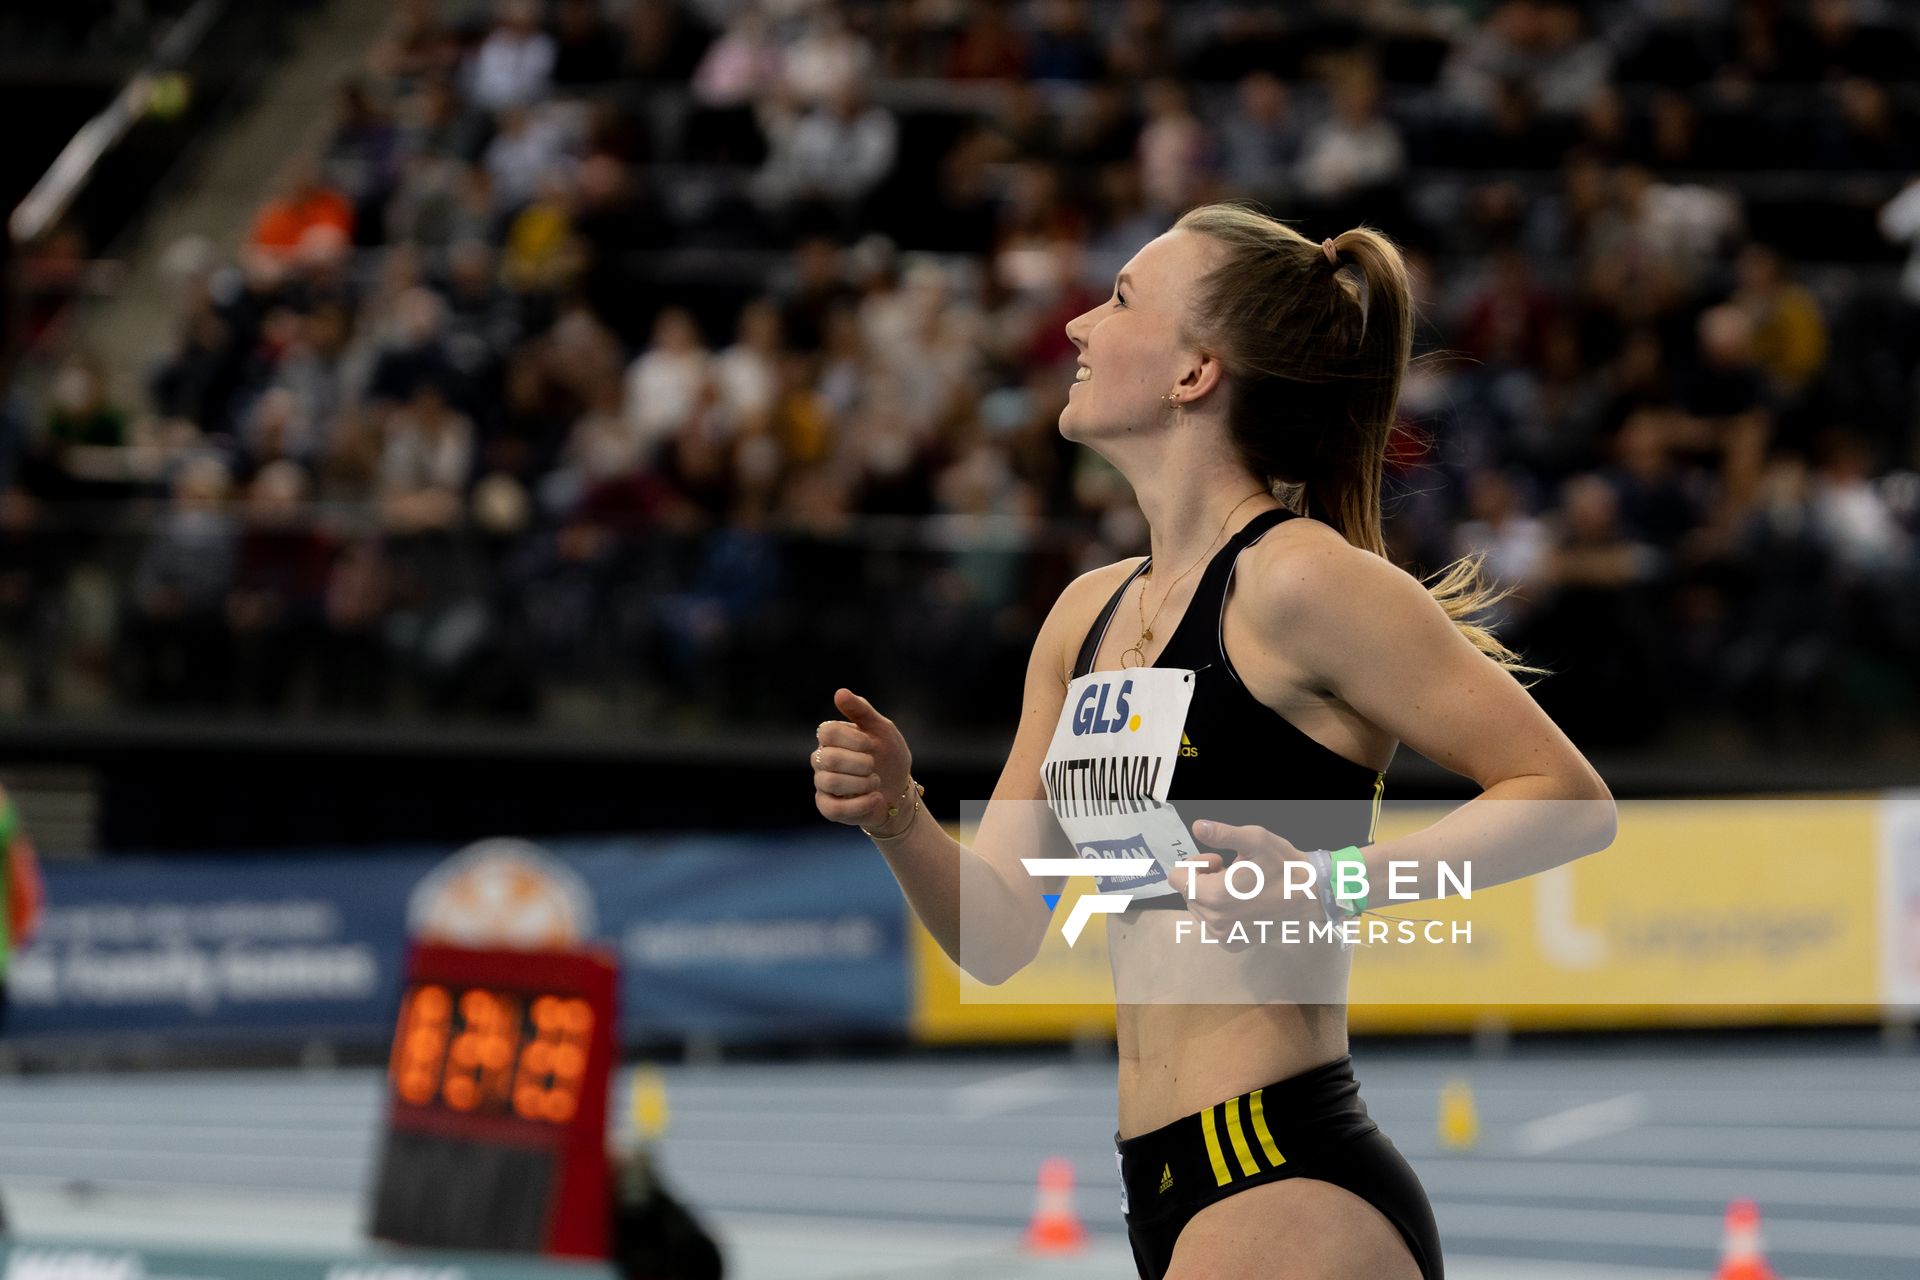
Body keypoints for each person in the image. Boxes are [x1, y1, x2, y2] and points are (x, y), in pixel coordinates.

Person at [810, 203, 1617, 1280]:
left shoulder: (1299, 582)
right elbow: (1000, 936)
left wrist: (1332, 884)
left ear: (1197, 373)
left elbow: (1569, 796)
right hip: (1162, 1179)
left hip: (1282, 1170)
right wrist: (900, 816)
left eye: (1121, 299)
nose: (1077, 328)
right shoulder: (1085, 618)